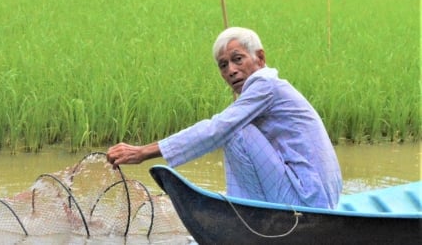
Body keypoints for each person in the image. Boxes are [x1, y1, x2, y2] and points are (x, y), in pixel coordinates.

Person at [107, 27, 342, 209]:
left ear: (260, 58)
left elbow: (218, 128)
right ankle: (249, 208)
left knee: (234, 131)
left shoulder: (265, 85)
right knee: (236, 125)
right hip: (317, 194)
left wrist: (143, 152)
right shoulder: (265, 89)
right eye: (223, 65)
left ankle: (244, 211)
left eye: (238, 59)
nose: (231, 70)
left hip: (310, 198)